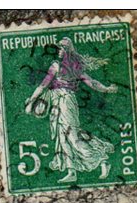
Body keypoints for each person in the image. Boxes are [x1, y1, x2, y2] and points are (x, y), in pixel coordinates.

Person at [24, 37, 117, 183]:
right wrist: (105, 88)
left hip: (65, 102)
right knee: (62, 137)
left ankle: (102, 160)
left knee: (72, 136)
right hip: (60, 102)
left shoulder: (58, 66)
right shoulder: (74, 68)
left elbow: (43, 86)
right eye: (58, 48)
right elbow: (92, 83)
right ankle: (71, 171)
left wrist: (31, 102)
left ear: (67, 51)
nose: (59, 51)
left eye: (61, 48)